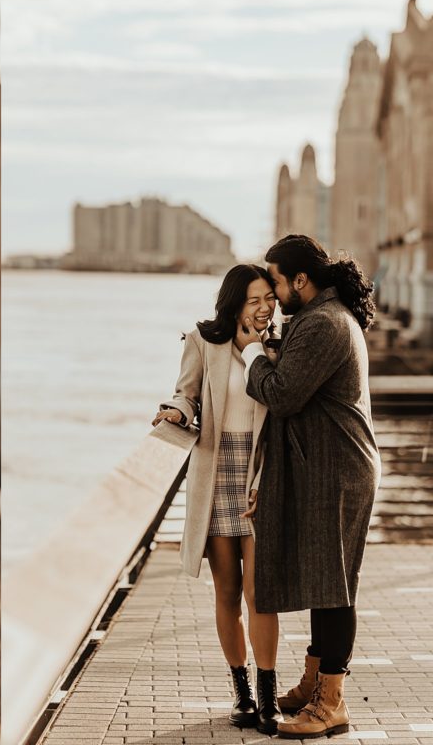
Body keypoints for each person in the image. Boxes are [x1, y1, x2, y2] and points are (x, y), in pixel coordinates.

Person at [237, 234, 380, 740]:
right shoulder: (322, 317)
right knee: (327, 581)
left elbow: (282, 395)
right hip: (332, 467)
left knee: (335, 588)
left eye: (275, 281)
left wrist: (253, 354)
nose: (272, 294)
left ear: (301, 279)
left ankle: (331, 704)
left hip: (337, 471)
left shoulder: (322, 322)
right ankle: (313, 683)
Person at [151, 264, 283, 735]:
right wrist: (175, 411)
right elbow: (187, 396)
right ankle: (242, 693)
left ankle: (269, 698)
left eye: (270, 297)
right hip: (215, 474)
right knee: (227, 592)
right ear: (234, 303)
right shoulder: (203, 341)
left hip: (260, 477)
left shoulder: (278, 346)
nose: (266, 307)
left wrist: (265, 479)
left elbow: (282, 421)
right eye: (255, 300)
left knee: (259, 593)